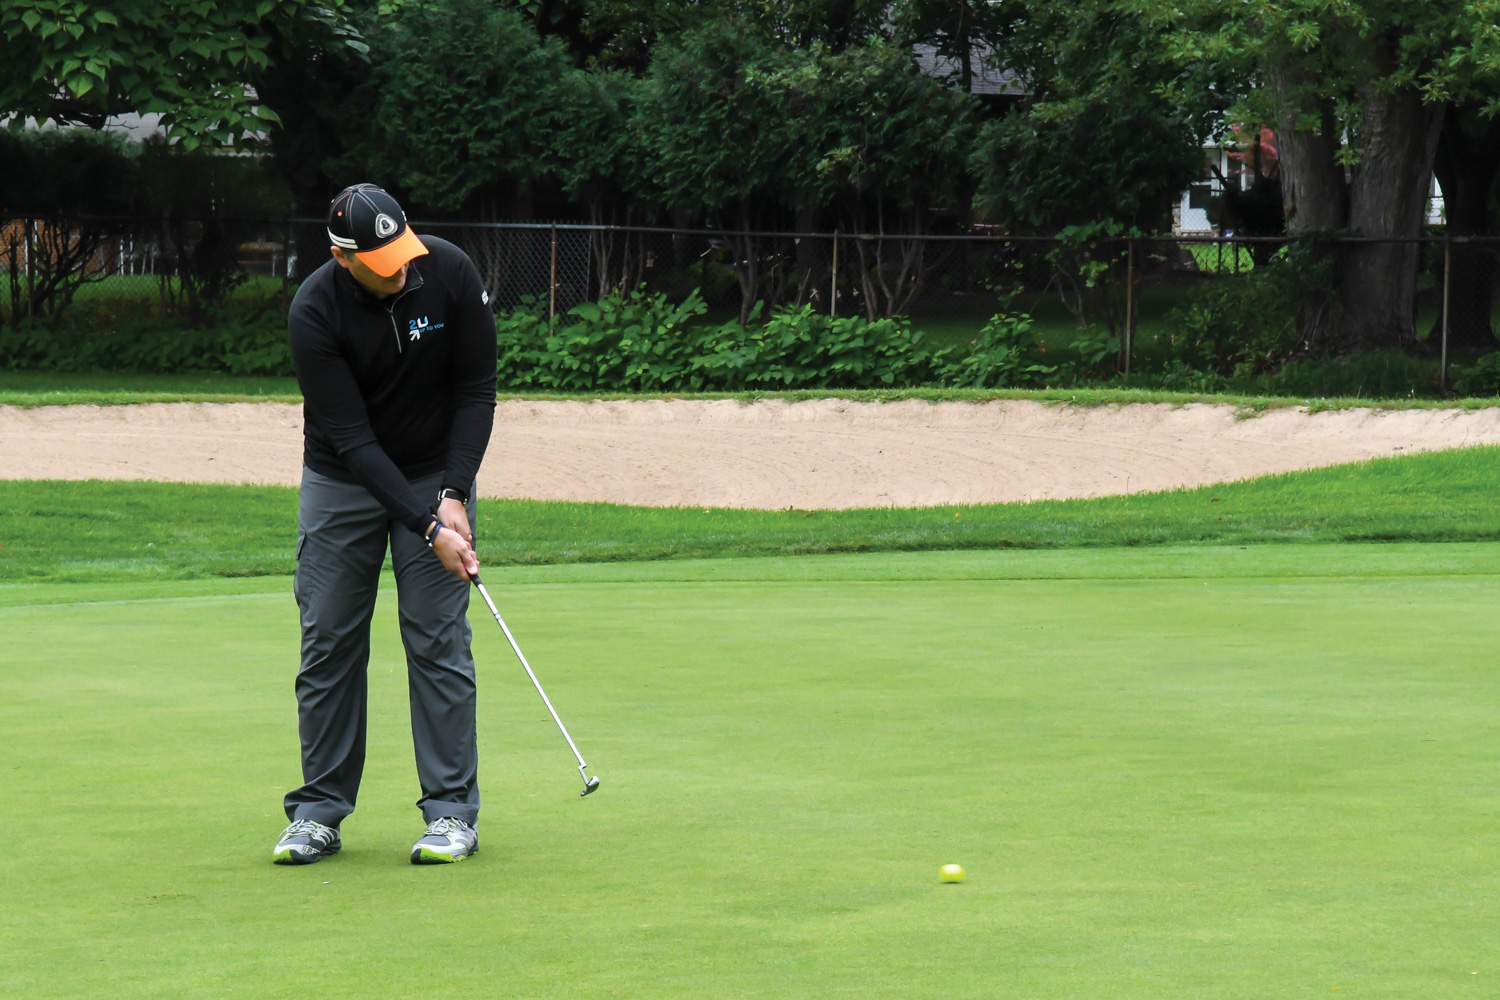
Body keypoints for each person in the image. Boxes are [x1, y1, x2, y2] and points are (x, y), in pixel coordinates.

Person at [272, 183, 497, 865]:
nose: (401, 268)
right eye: (382, 261)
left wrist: (453, 494)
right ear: (342, 257)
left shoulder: (449, 271)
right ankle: (318, 812)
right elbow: (353, 440)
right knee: (330, 640)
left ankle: (452, 812)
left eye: (403, 250)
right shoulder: (314, 310)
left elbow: (476, 390)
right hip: (344, 479)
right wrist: (428, 527)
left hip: (434, 471)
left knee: (437, 639)